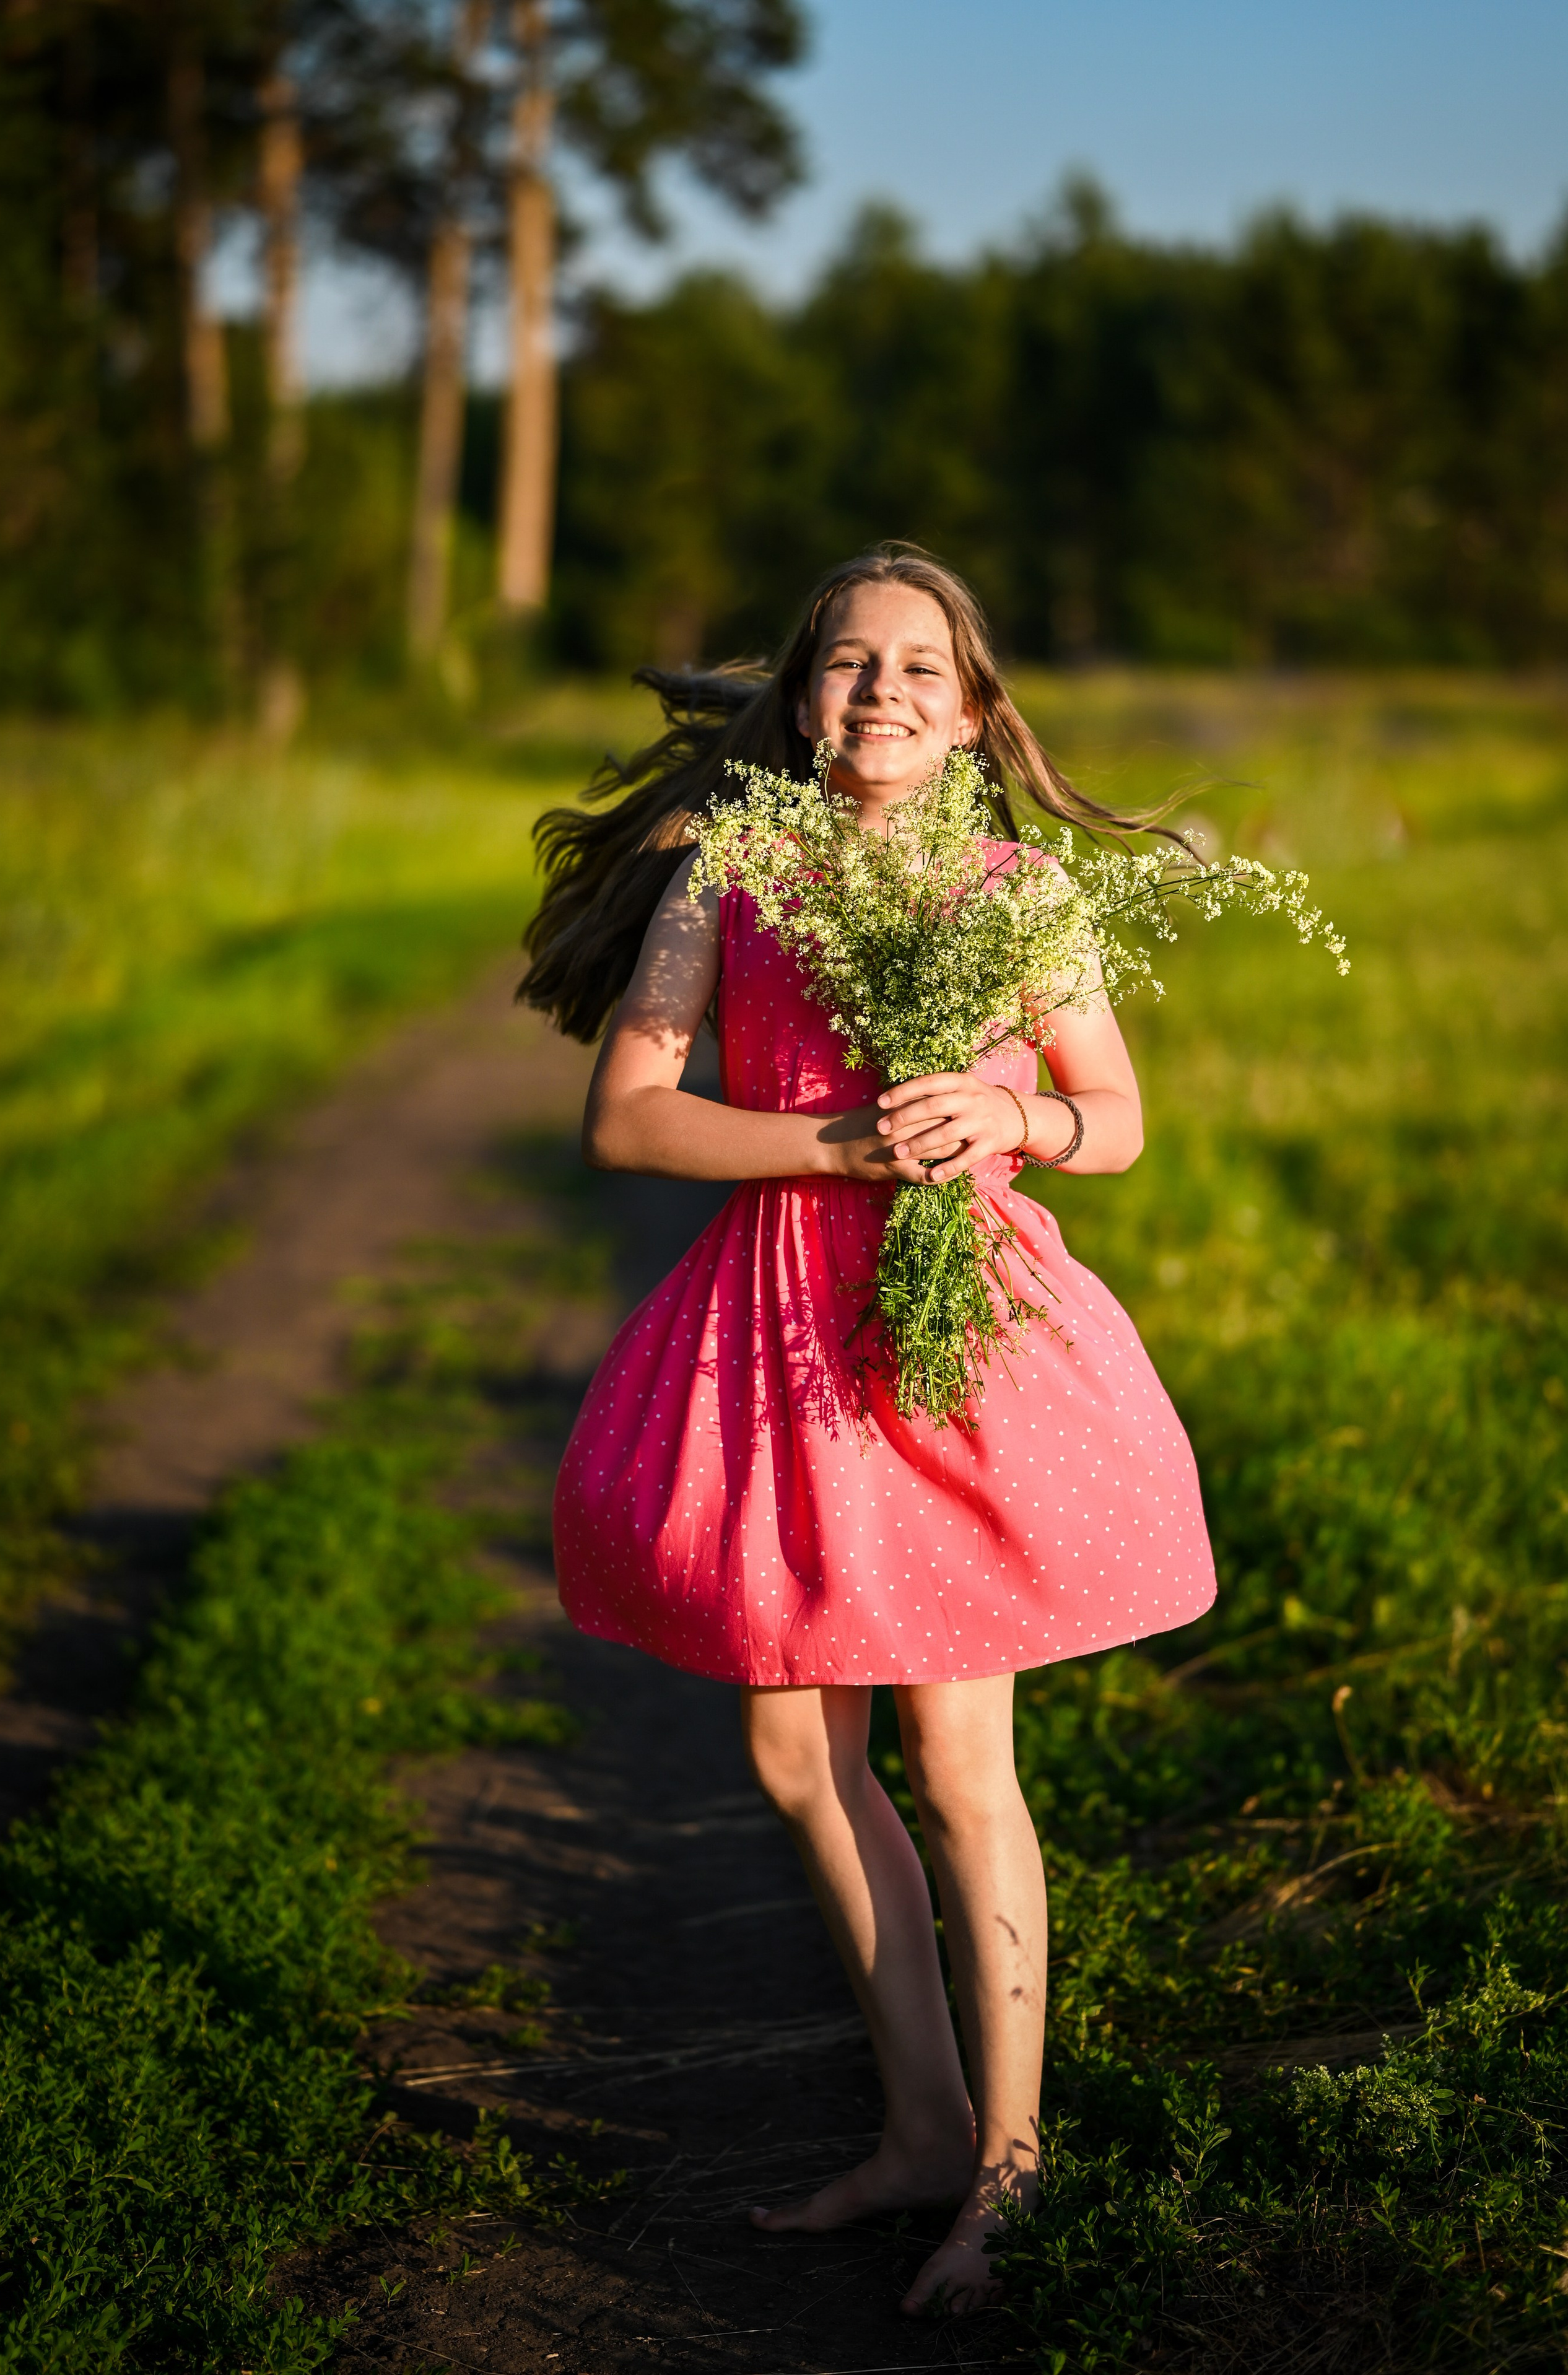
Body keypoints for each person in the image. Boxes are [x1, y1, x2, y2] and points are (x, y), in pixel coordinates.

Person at [520, 547, 1217, 2315]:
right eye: (848, 661)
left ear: (976, 712)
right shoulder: (730, 869)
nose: (883, 689)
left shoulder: (1018, 884)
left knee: (959, 1757)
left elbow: (1117, 1116)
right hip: (780, 1323)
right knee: (784, 1749)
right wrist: (836, 1149)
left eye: (921, 667)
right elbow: (630, 1117)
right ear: (800, 695)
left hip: (952, 1331)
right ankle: (917, 2123)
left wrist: (1011, 1112)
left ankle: (1012, 2168)